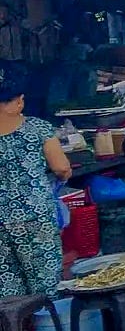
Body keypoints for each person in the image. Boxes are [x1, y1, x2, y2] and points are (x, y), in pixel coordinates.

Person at [0, 61, 71, 297]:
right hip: (36, 218)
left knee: (8, 295)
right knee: (46, 286)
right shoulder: (38, 128)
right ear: (19, 100)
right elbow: (61, 168)